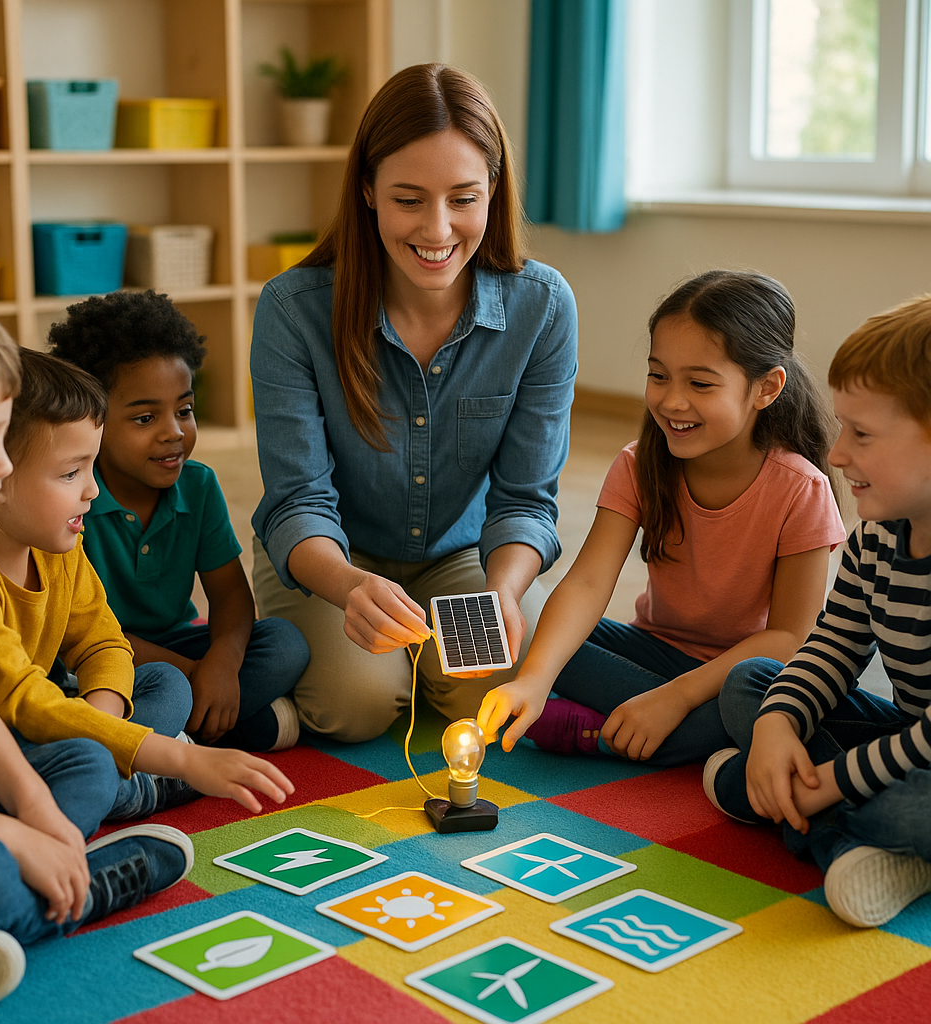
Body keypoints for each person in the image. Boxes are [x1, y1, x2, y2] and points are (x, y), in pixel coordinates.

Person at [250, 63, 578, 742]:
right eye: (409, 199)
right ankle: (382, 669)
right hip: (334, 559)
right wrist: (346, 587)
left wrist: (504, 591)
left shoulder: (543, 305)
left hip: (463, 558)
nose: (438, 229)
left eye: (464, 198)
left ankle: (420, 664)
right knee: (356, 705)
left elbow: (526, 499)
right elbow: (298, 498)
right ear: (366, 190)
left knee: (500, 693)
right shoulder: (292, 308)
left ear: (494, 190)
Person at [0, 283, 193, 1013]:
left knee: (76, 761)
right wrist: (13, 831)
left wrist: (33, 805)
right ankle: (73, 892)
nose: (1, 469)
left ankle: (20, 897)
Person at [478, 269, 845, 766]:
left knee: (756, 700)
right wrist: (534, 681)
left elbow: (789, 638)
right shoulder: (638, 464)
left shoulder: (802, 489)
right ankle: (681, 734)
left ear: (766, 388)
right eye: (658, 375)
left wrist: (674, 698)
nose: (672, 401)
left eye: (700, 382)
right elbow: (587, 585)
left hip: (746, 673)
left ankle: (600, 734)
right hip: (654, 649)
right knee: (540, 634)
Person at [0, 347, 295, 824]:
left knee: (169, 684)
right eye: (72, 473)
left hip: (68, 719)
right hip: (3, 745)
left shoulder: (60, 547)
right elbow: (25, 702)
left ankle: (135, 766)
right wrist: (170, 756)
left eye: (90, 468)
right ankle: (141, 782)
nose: (91, 489)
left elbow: (104, 642)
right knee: (90, 766)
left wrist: (104, 717)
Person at [706, 295, 931, 928]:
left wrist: (830, 781)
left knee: (908, 813)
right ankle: (849, 834)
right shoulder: (877, 538)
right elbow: (832, 648)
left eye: (861, 434)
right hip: (906, 743)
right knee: (750, 686)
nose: (835, 453)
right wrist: (778, 725)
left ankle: (801, 808)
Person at [47, 290, 309, 753]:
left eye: (184, 410)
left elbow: (229, 595)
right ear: (91, 421)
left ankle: (185, 734)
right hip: (102, 662)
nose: (174, 431)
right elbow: (83, 634)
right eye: (146, 417)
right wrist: (197, 676)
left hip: (180, 643)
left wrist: (223, 666)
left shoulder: (198, 486)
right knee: (156, 688)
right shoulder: (74, 499)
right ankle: (214, 733)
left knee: (286, 643)